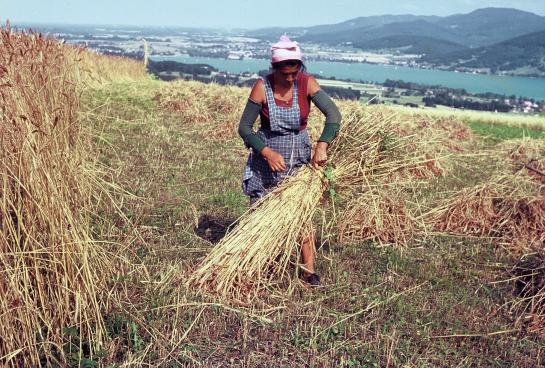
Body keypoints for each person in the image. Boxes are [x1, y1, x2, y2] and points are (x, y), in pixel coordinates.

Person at [237, 35, 341, 286]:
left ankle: (308, 270)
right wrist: (266, 152)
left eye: (295, 72)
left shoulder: (306, 83)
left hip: (299, 159)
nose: (291, 78)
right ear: (275, 69)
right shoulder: (262, 87)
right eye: (286, 74)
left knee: (301, 216)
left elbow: (333, 114)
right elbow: (244, 128)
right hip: (267, 162)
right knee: (260, 215)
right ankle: (258, 265)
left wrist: (322, 145)